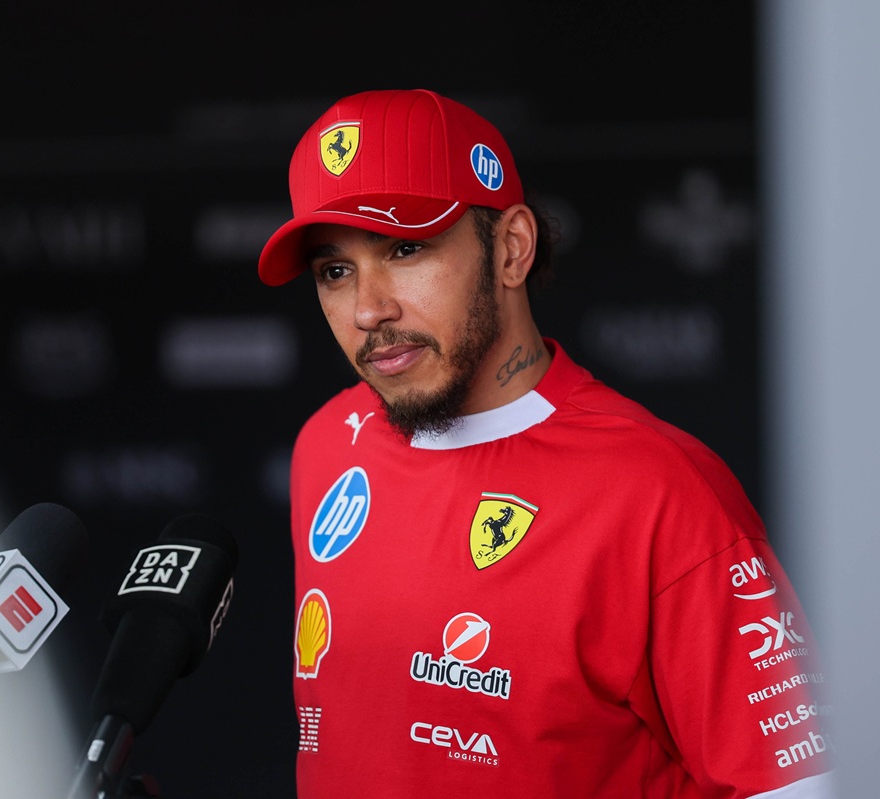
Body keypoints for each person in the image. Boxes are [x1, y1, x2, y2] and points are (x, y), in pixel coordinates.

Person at [257, 88, 835, 799]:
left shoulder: (662, 491)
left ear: (511, 247)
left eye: (405, 248)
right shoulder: (326, 444)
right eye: (334, 270)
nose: (368, 307)